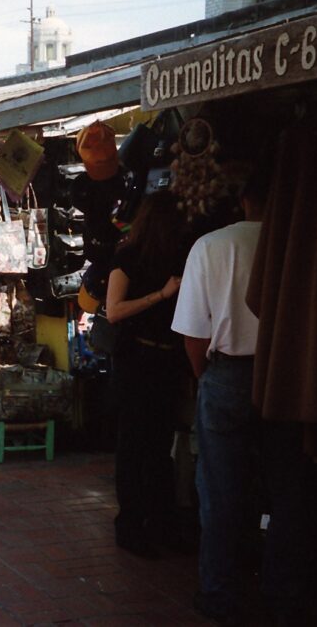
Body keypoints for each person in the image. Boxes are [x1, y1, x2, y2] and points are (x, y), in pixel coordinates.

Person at [171, 170, 292, 624]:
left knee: (220, 492)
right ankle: (281, 593)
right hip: (285, 376)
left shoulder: (211, 246)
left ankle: (219, 592)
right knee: (287, 490)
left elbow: (193, 335)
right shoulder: (297, 241)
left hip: (227, 374)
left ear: (244, 200)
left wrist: (208, 378)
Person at [105, 189, 189, 559]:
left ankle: (157, 523)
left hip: (166, 362)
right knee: (135, 447)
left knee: (156, 449)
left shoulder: (179, 257)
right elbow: (114, 311)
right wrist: (161, 294)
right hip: (136, 360)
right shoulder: (128, 256)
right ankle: (131, 524)